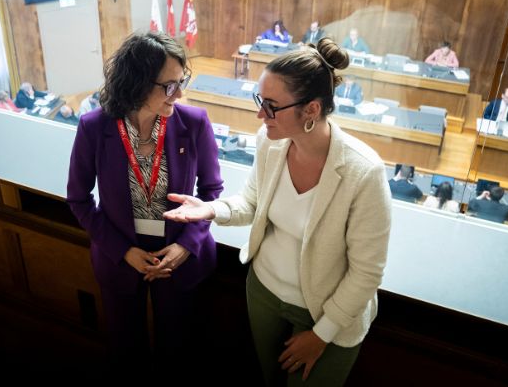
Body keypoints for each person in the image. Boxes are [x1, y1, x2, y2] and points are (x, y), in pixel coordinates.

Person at [165, 38, 391, 385]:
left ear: (311, 110)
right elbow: (252, 204)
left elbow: (367, 273)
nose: (260, 114)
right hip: (264, 295)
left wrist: (321, 335)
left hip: (327, 314)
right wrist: (210, 209)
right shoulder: (269, 141)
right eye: (260, 100)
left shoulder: (364, 173)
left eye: (271, 105)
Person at [66, 32, 223, 371]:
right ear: (137, 83)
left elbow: (212, 192)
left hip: (179, 254)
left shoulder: (194, 123)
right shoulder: (94, 127)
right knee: (126, 351)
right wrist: (123, 251)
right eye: (169, 86)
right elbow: (78, 198)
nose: (179, 94)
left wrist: (185, 247)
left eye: (181, 82)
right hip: (120, 254)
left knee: (177, 350)